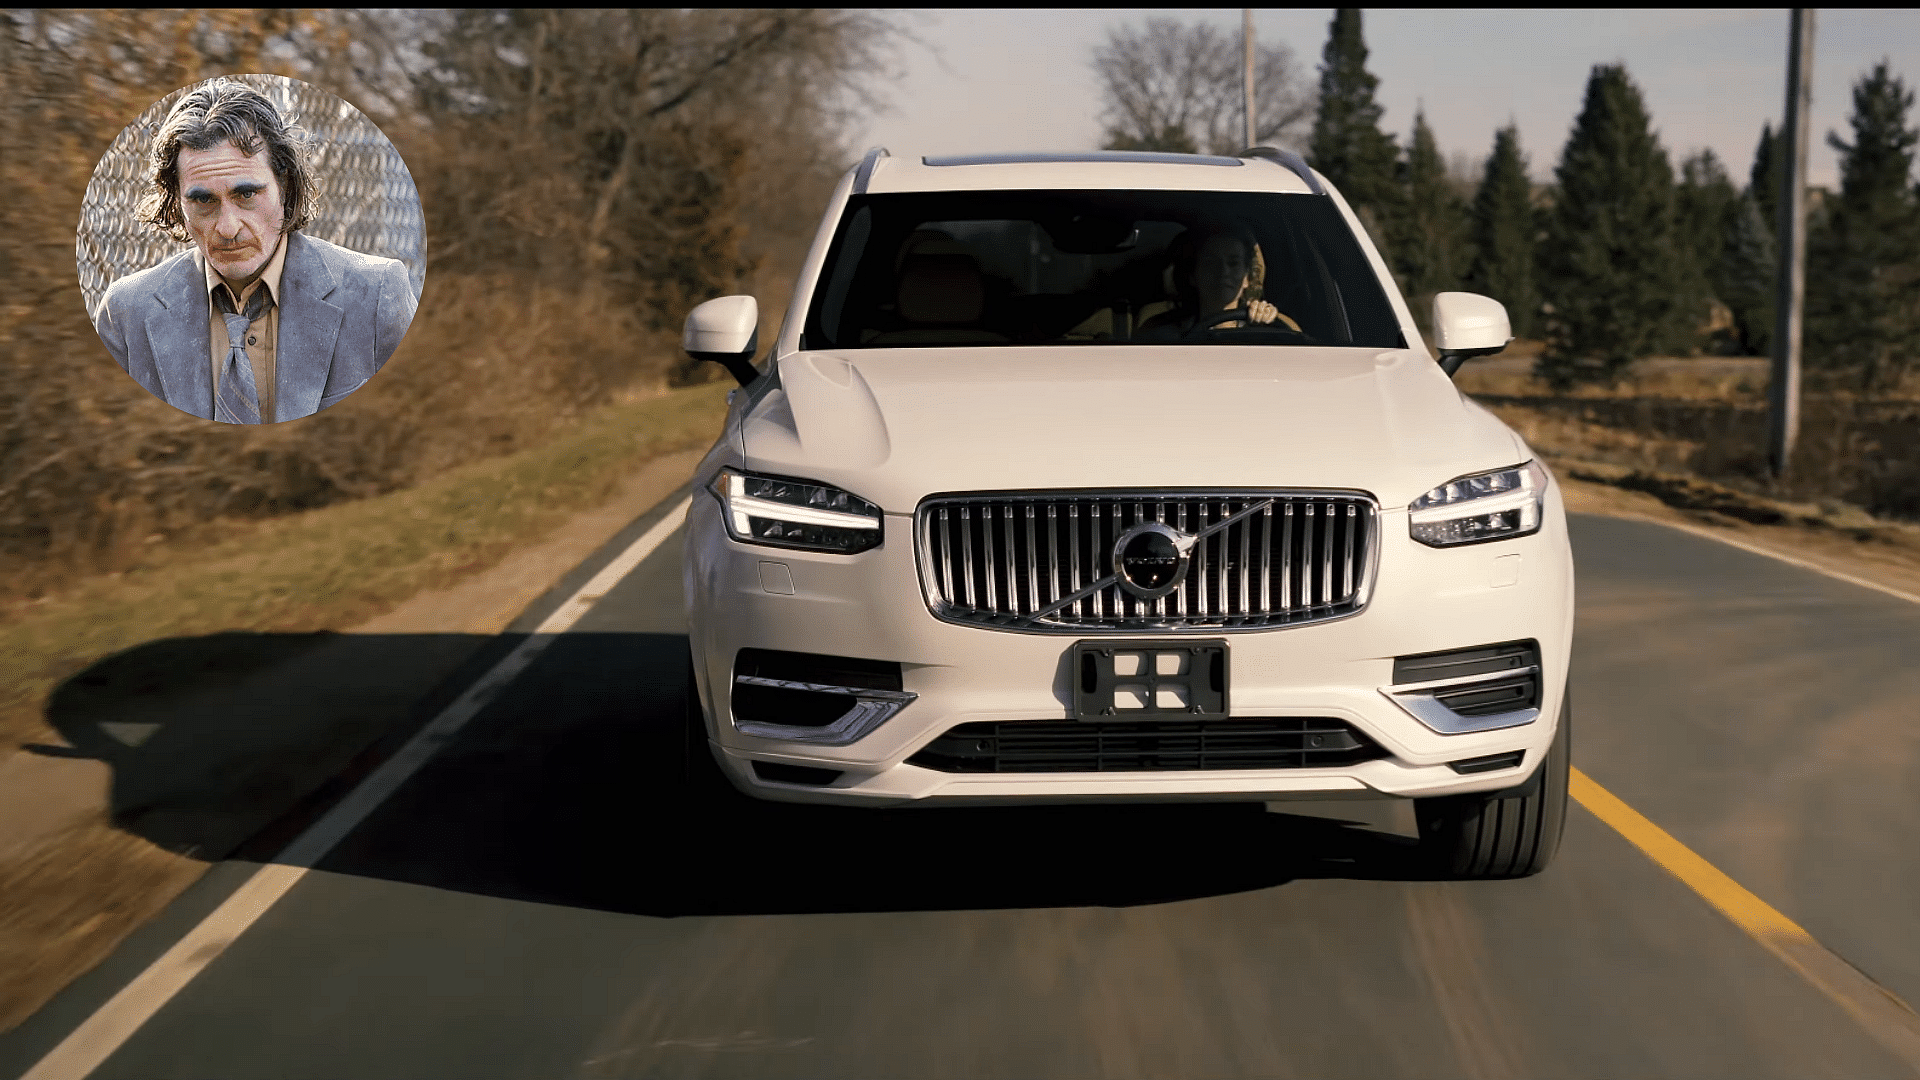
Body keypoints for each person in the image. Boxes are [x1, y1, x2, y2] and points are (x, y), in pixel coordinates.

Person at [92, 79, 417, 424]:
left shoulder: (377, 296)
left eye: (246, 195)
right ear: (176, 203)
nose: (227, 227)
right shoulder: (127, 314)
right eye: (204, 200)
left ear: (285, 185)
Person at [1136, 223, 1301, 341]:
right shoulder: (1162, 335)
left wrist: (1267, 330)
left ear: (1247, 278)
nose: (1223, 272)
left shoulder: (1278, 328)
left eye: (1233, 263)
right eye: (1211, 263)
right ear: (1193, 276)